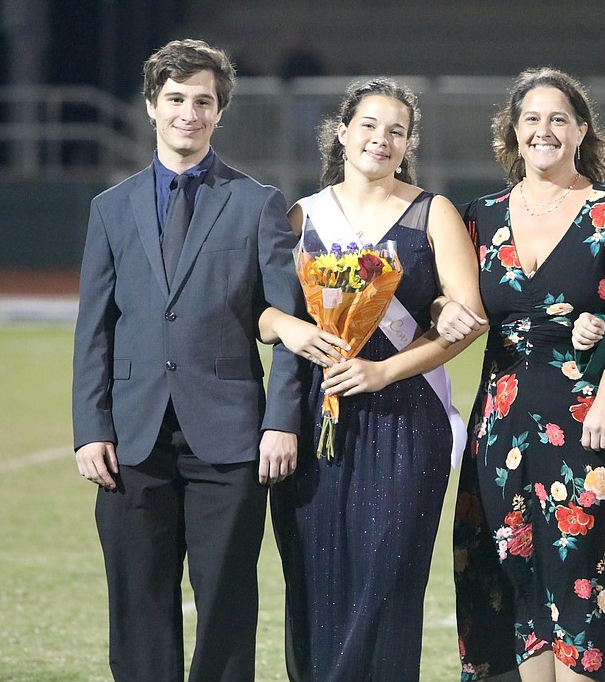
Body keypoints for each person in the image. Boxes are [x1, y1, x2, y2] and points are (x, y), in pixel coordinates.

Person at [71, 39, 306, 682]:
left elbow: (291, 323)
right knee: (137, 603)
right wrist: (90, 429)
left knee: (226, 603)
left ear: (219, 112)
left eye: (203, 101)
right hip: (131, 436)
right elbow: (94, 330)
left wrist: (281, 421)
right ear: (152, 105)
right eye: (175, 99)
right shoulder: (109, 208)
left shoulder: (257, 203)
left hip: (230, 436)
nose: (189, 113)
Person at [259, 77, 486, 682]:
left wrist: (385, 369)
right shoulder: (303, 215)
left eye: (396, 131)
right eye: (368, 125)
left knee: (387, 581)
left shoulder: (433, 212)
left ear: (408, 143)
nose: (380, 139)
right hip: (317, 415)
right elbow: (260, 313)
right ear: (342, 132)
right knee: (314, 579)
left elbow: (467, 320)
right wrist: (286, 325)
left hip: (407, 416)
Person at [444, 68, 605, 682]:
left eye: (559, 119)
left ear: (581, 131)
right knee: (515, 570)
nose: (544, 130)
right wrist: (441, 308)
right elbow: (450, 298)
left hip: (587, 421)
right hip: (500, 425)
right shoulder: (481, 216)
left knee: (579, 572)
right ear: (513, 132)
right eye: (532, 119)